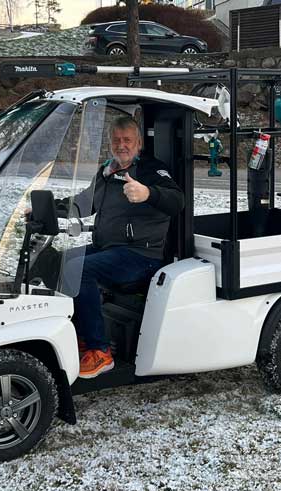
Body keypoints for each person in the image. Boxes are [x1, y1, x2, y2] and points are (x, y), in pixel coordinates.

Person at [31, 116, 184, 379]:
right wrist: (47, 209)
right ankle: (81, 335)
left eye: (127, 140)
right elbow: (84, 203)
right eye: (116, 140)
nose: (121, 145)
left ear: (138, 143)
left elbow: (176, 200)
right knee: (53, 263)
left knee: (78, 270)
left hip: (140, 255)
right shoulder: (107, 172)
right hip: (108, 249)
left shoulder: (151, 170)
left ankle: (100, 352)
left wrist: (148, 193)